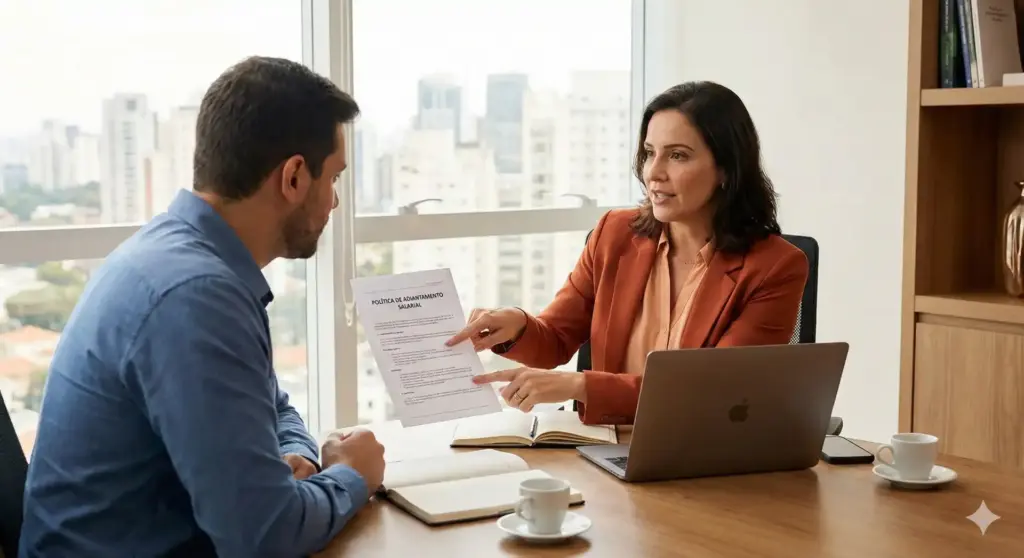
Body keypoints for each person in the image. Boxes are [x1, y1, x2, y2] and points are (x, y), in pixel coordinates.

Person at [19, 56, 385, 558]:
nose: (335, 203)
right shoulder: (195, 295)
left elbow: (272, 403)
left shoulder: (179, 258)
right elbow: (264, 539)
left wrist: (295, 454)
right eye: (335, 179)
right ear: (295, 176)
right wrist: (353, 474)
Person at [448, 81, 809, 425]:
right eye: (650, 153)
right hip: (604, 451)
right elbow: (555, 339)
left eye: (678, 156)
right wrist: (516, 325)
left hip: (702, 461)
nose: (654, 172)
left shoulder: (775, 267)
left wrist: (581, 387)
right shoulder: (615, 234)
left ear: (726, 170)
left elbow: (713, 392)